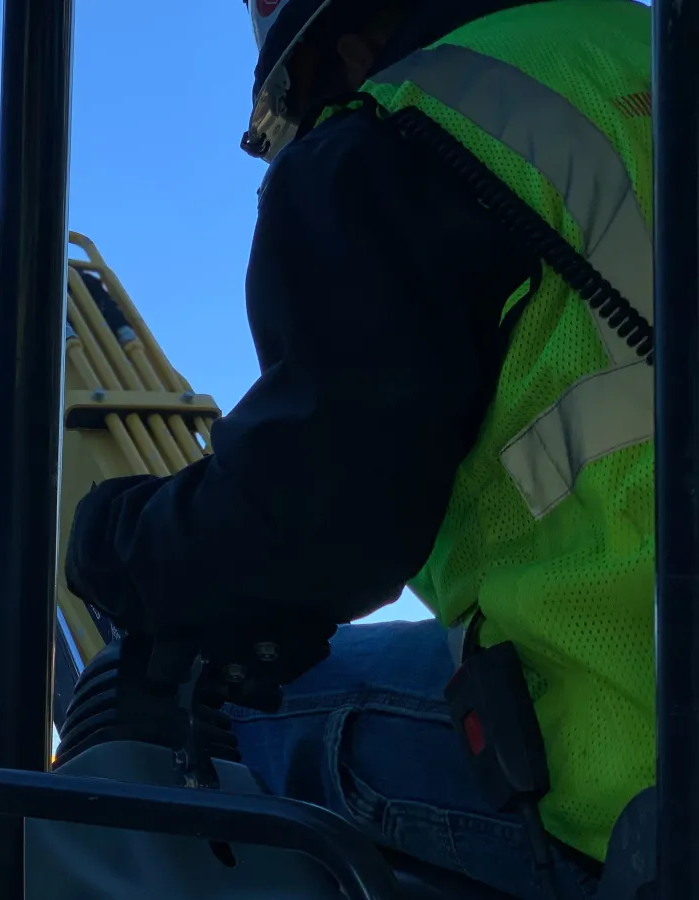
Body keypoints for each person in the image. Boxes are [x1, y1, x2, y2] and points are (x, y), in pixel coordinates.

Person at [63, 1, 654, 898]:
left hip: (634, 724)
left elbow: (311, 528)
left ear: (345, 43)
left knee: (146, 701)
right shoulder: (641, 47)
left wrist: (111, 539)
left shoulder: (403, 132)